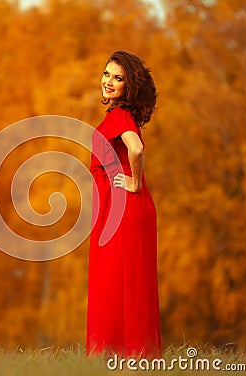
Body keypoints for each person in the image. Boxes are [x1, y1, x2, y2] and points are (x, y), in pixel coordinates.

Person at [86, 51, 162, 358]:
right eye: (106, 74)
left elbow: (136, 149)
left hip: (124, 208)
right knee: (128, 286)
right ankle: (131, 354)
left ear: (129, 87)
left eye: (117, 78)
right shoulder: (120, 115)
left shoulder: (119, 116)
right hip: (126, 208)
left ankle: (113, 352)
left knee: (112, 283)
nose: (108, 82)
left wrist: (134, 181)